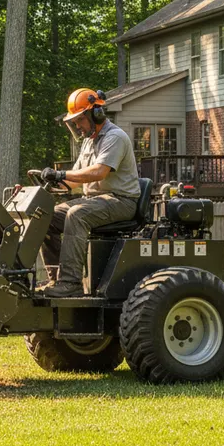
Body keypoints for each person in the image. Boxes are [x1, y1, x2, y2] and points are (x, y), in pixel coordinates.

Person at [37, 88, 140, 297]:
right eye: (73, 122)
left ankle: (71, 283)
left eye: (79, 120)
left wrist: (60, 173)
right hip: (95, 200)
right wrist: (49, 182)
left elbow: (99, 172)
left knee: (77, 215)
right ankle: (55, 279)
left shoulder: (115, 137)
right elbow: (75, 180)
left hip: (121, 201)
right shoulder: (88, 142)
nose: (77, 126)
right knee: (45, 216)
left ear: (96, 114)